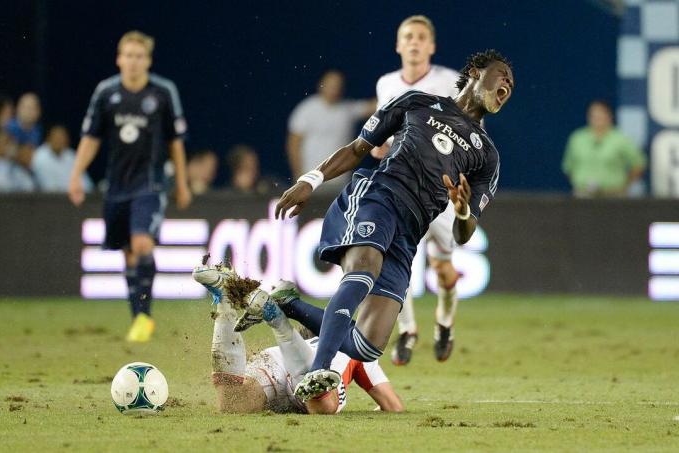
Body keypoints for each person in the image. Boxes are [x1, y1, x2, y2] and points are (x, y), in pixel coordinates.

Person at [273, 49, 513, 401]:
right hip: (379, 196)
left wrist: (462, 212)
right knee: (366, 266)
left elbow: (465, 233)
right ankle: (318, 371)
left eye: (512, 82)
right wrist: (311, 179)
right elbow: (358, 148)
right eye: (503, 74)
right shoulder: (418, 102)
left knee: (368, 345)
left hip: (410, 231)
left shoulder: (487, 155)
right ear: (476, 72)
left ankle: (287, 303)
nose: (508, 82)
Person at [68, 30, 192, 342]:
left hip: (149, 184)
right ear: (119, 59)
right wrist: (75, 175)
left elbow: (175, 142)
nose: (134, 62)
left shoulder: (163, 92)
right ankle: (137, 316)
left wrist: (182, 182)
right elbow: (91, 138)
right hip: (116, 187)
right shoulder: (106, 92)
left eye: (140, 56)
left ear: (148, 60)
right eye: (129, 56)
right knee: (127, 253)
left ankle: (145, 318)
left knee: (141, 244)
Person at [192, 264, 403, 414]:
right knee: (324, 407)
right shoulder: (355, 349)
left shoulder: (316, 337)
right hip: (309, 371)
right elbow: (392, 405)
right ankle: (277, 319)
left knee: (232, 403)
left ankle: (225, 298)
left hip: (277, 359)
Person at [374, 15, 463, 366]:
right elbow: (384, 131)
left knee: (444, 271)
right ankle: (408, 330)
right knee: (398, 263)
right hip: (402, 188)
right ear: (398, 45)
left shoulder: (451, 82)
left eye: (421, 37)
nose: (414, 42)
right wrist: (380, 146)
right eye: (407, 36)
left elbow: (470, 134)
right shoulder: (386, 84)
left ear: (431, 46)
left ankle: (445, 323)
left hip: (441, 193)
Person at [287, 70, 375, 191]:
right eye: (331, 84)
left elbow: (373, 106)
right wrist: (298, 175)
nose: (334, 88)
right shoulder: (306, 109)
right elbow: (293, 144)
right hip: (311, 181)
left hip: (340, 182)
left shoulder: (347, 109)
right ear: (321, 84)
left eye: (338, 85)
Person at [562, 100, 646, 197]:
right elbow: (568, 167)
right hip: (583, 194)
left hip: (613, 195)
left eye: (601, 115)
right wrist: (579, 183)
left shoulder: (620, 139)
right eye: (594, 116)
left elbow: (639, 164)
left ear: (609, 117)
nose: (597, 119)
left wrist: (625, 186)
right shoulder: (577, 138)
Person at [33, 125, 93, 192]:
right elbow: (49, 188)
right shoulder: (40, 156)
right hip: (51, 200)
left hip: (74, 198)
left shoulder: (71, 155)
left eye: (62, 138)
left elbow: (87, 184)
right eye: (56, 138)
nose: (59, 141)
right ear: (48, 138)